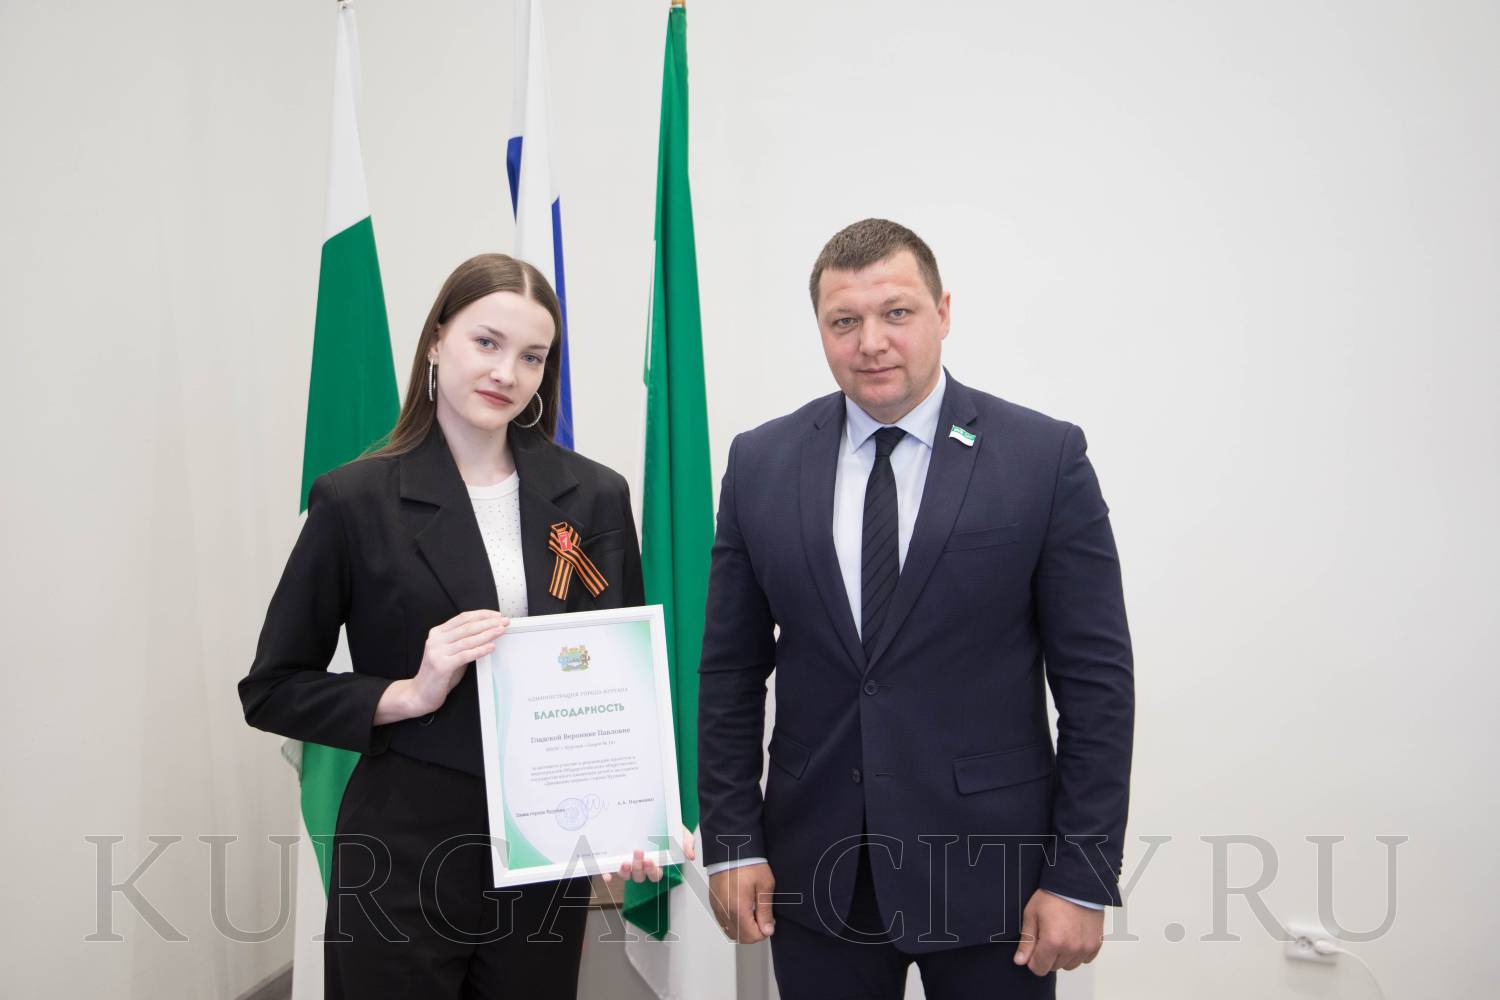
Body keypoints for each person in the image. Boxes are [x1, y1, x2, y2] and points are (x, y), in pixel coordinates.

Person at [696, 219, 1134, 999]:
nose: (871, 342)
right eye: (844, 321)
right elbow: (729, 673)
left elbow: (1097, 686)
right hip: (817, 873)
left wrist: (1081, 874)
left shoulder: (1043, 459)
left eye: (896, 313)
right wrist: (733, 842)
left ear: (943, 312)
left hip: (996, 879)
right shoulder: (760, 462)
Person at [239, 253, 685, 999]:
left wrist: (635, 820)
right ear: (437, 340)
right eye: (486, 342)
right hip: (402, 852)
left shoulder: (596, 496)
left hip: (543, 857)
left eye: (532, 356)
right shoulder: (354, 500)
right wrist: (407, 694)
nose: (506, 372)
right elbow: (272, 689)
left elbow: (618, 681)